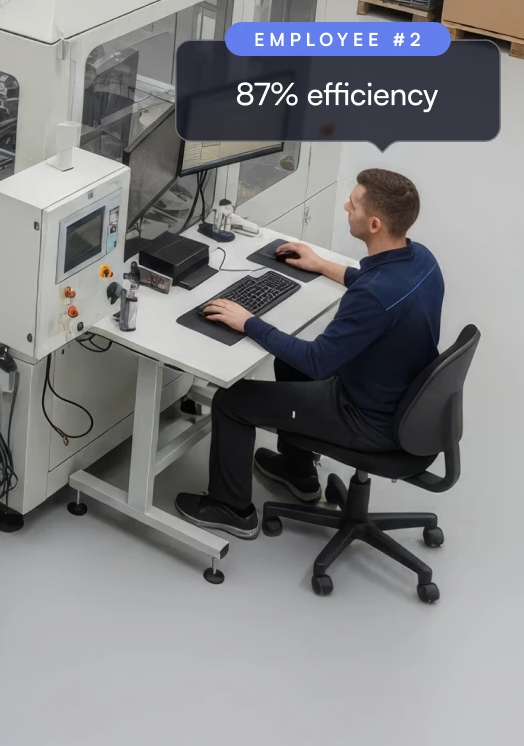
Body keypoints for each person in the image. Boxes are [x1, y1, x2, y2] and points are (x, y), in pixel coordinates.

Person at [176, 167, 444, 539]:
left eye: (354, 204)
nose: (346, 206)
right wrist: (320, 264)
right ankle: (298, 473)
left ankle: (231, 509)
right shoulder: (422, 260)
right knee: (287, 360)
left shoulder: (374, 295)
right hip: (398, 398)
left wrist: (248, 322)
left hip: (367, 420)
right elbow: (374, 283)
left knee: (232, 400)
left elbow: (317, 361)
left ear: (375, 224)